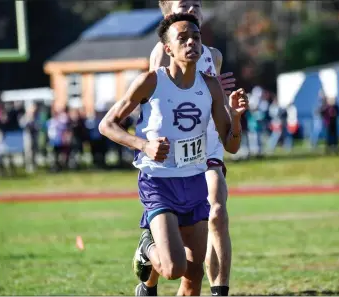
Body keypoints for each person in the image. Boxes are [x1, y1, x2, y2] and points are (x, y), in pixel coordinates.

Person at [98, 13, 247, 296]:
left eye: (196, 37)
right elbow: (107, 125)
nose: (192, 42)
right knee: (173, 268)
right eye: (183, 38)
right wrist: (144, 145)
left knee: (194, 276)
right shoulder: (150, 82)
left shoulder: (211, 85)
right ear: (168, 49)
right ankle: (146, 247)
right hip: (159, 182)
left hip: (195, 180)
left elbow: (232, 145)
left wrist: (236, 118)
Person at [136, 1, 237, 295]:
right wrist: (147, 145)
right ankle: (149, 276)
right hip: (173, 156)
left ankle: (220, 288)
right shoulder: (160, 52)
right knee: (175, 252)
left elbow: (212, 94)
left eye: (197, 3)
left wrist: (229, 106)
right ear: (168, 12)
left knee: (217, 210)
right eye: (184, 4)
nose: (192, 7)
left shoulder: (213, 55)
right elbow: (156, 102)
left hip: (209, 145)